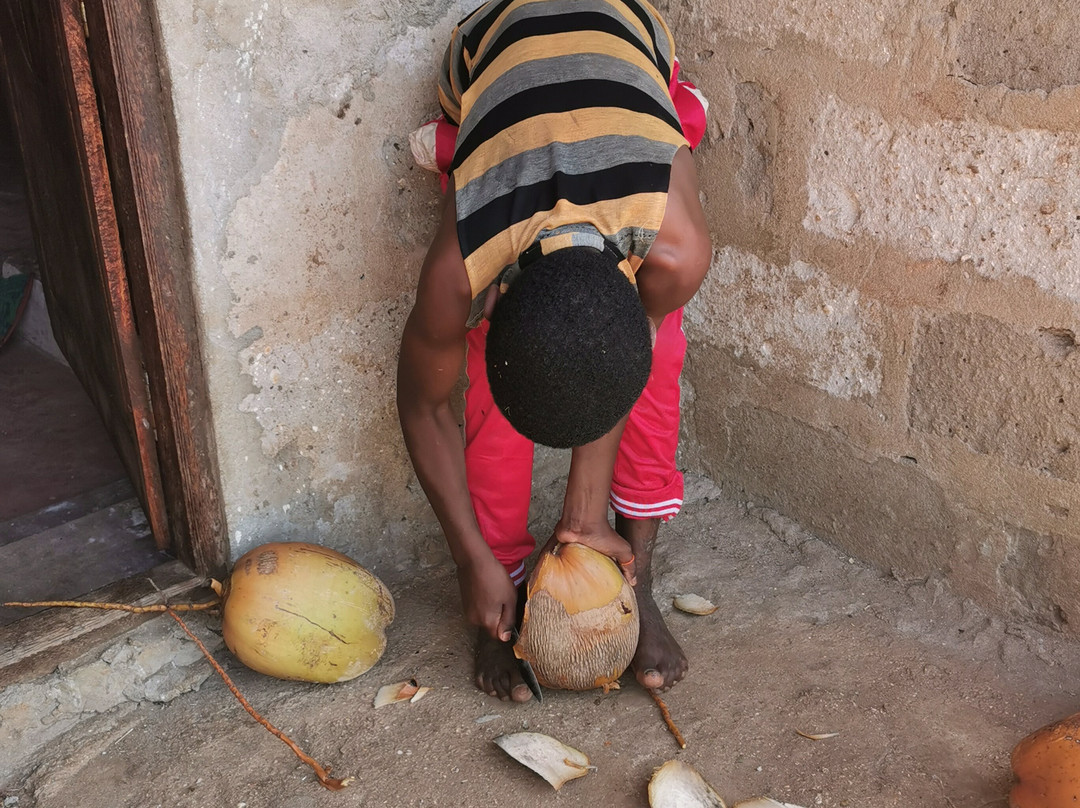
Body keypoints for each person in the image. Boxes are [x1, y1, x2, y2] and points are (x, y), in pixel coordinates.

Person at [397, 0, 711, 702]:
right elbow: (422, 405)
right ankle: (504, 587)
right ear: (495, 297)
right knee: (492, 379)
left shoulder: (677, 249)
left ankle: (642, 578)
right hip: (495, 38)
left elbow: (621, 365)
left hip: (625, 29)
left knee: (653, 365)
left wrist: (585, 518)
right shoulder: (465, 261)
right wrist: (472, 560)